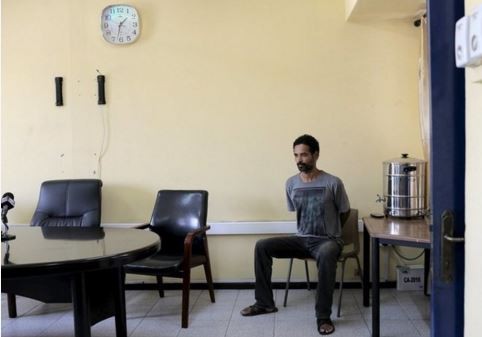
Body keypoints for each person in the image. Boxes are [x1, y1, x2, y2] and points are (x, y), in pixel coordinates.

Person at [240, 134, 350, 336]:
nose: (299, 160)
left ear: (316, 155)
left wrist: (333, 234)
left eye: (304, 155)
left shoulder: (333, 182)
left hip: (327, 241)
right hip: (301, 239)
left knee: (326, 253)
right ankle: (264, 303)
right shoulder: (291, 183)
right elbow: (296, 211)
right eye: (296, 155)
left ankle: (323, 316)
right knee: (262, 246)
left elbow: (345, 211)